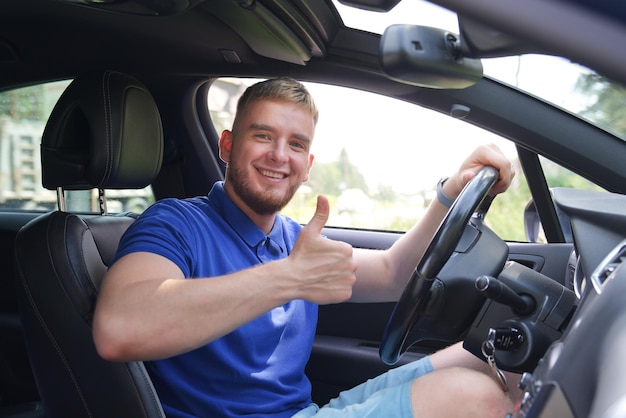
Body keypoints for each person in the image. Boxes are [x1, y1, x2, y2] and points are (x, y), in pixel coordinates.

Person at [93, 77, 517, 417]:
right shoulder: (175, 222)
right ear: (227, 145)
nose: (280, 155)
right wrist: (287, 278)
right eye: (263, 136)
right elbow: (120, 329)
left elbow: (392, 272)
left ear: (308, 166)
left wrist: (449, 195)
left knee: (498, 358)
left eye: (296, 144)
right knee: (473, 398)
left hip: (304, 411)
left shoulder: (295, 238)